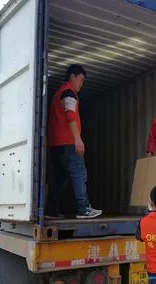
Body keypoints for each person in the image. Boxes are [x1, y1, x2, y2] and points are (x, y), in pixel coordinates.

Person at [45, 64, 102, 219]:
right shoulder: (68, 92)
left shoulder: (59, 93)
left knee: (60, 179)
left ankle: (51, 210)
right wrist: (78, 139)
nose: (81, 84)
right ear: (73, 76)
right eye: (81, 80)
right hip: (68, 143)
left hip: (56, 145)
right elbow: (70, 116)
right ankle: (83, 209)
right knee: (79, 174)